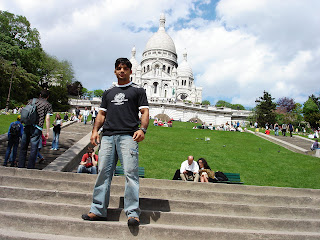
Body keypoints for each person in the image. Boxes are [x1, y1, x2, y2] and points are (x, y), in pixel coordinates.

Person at [81, 58, 149, 227]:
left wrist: (143, 129)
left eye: (125, 68)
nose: (122, 71)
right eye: (119, 68)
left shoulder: (138, 91)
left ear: (131, 71)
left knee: (131, 174)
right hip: (108, 136)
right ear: (115, 71)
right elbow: (102, 115)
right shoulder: (108, 93)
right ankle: (98, 209)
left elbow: (145, 111)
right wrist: (95, 131)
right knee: (103, 173)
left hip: (129, 136)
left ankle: (132, 213)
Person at [18, 89, 52, 169]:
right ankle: (30, 167)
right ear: (47, 97)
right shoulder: (47, 105)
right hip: (37, 127)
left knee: (23, 147)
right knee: (34, 148)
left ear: (40, 95)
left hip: (27, 125)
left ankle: (21, 165)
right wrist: (47, 131)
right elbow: (47, 119)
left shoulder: (32, 101)